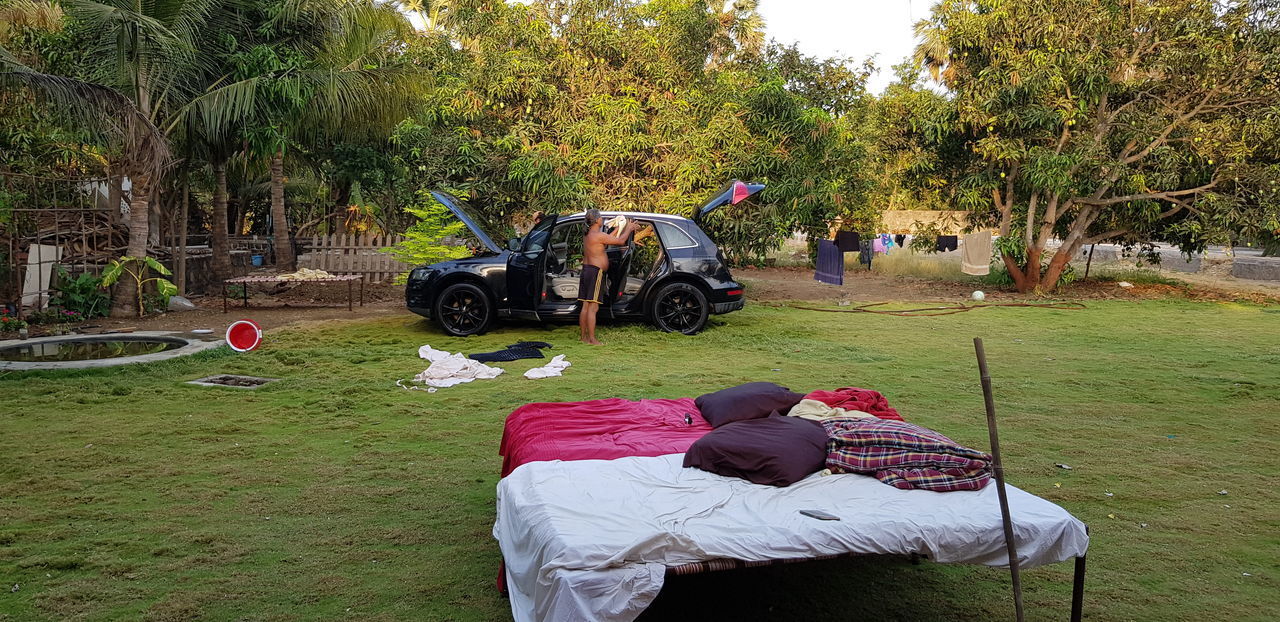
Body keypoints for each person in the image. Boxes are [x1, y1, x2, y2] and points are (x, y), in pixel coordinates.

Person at [579, 208, 638, 345]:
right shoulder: (598, 235)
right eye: (600, 217)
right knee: (593, 307)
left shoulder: (590, 234)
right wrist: (628, 228)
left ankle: (583, 337)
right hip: (596, 273)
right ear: (596, 220)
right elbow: (621, 241)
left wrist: (619, 228)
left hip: (587, 270)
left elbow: (608, 240)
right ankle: (592, 339)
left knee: (586, 306)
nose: (602, 219)